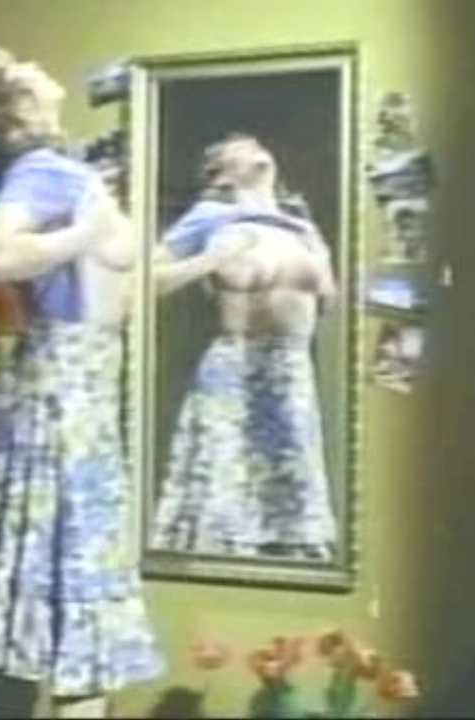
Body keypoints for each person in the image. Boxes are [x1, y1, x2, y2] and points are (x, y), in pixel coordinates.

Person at [0, 45, 164, 718]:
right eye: (19, 69)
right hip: (62, 399)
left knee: (78, 620)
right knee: (76, 615)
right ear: (10, 113)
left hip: (79, 394)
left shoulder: (59, 171)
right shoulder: (42, 171)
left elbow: (130, 282)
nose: (36, 66)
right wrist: (85, 232)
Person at [148, 133, 340, 560]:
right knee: (221, 494)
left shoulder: (301, 227)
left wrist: (319, 254)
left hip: (291, 370)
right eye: (241, 148)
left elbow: (328, 300)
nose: (256, 149)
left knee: (293, 497)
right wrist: (211, 261)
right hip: (234, 368)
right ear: (220, 174)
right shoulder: (212, 216)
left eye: (257, 144)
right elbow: (147, 278)